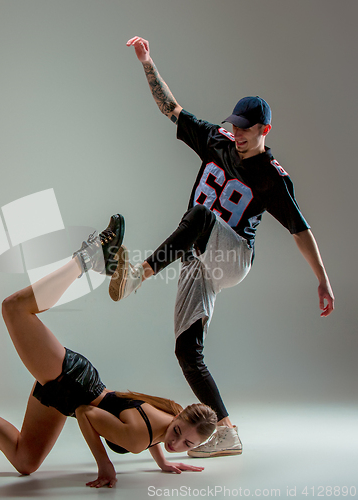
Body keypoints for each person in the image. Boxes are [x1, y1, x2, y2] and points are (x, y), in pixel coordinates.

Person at [109, 37, 335, 458]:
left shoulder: (272, 176)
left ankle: (136, 275)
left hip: (233, 257)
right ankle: (227, 430)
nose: (238, 136)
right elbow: (171, 109)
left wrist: (322, 280)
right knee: (185, 351)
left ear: (264, 130)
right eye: (235, 126)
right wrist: (147, 62)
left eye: (246, 130)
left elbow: (300, 231)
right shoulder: (217, 139)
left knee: (201, 215)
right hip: (198, 257)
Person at [0, 215, 217, 489]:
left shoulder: (169, 415)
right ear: (180, 417)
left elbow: (155, 433)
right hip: (73, 381)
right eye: (179, 433)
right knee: (13, 308)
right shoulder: (142, 435)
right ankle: (89, 257)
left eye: (187, 445)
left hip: (69, 392)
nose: (177, 443)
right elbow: (85, 412)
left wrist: (164, 461)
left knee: (24, 462)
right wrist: (105, 465)